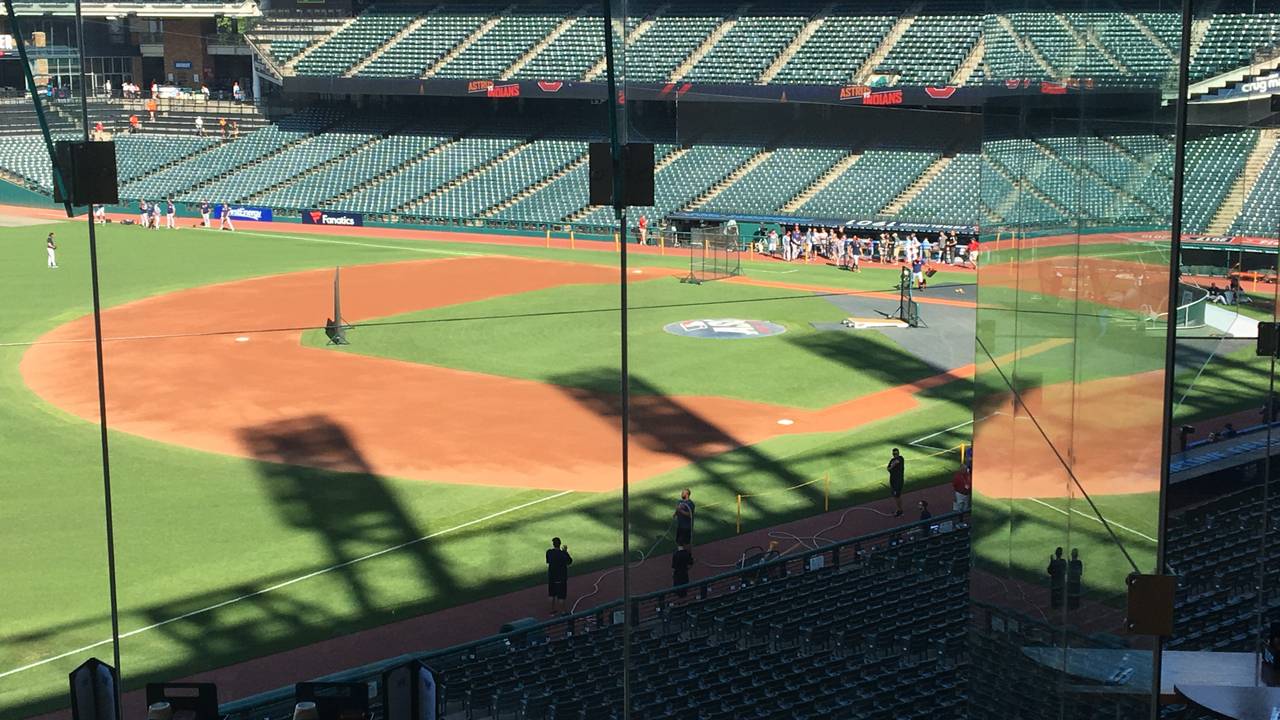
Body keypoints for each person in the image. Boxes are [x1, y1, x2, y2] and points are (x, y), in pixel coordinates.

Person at [545, 537, 572, 615]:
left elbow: (548, 561)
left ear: (553, 544)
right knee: (561, 596)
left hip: (551, 577)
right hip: (561, 578)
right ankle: (563, 612)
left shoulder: (549, 552)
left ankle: (552, 611)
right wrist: (565, 552)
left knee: (551, 594)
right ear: (560, 544)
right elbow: (569, 561)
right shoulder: (563, 554)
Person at [887, 448, 905, 517]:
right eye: (894, 454)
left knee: (897, 495)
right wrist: (891, 467)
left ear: (898, 453)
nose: (895, 455)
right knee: (895, 496)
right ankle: (899, 509)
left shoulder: (901, 458)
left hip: (898, 481)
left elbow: (895, 463)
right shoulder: (892, 460)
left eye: (896, 453)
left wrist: (891, 467)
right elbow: (888, 468)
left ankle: (900, 510)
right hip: (893, 480)